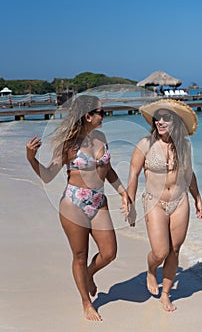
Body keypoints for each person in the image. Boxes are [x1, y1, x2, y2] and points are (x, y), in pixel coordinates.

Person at [26, 94, 130, 322]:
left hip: (98, 200)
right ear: (88, 116)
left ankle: (89, 274)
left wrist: (123, 193)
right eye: (101, 112)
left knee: (109, 253)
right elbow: (47, 175)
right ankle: (86, 303)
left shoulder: (101, 137)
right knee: (80, 255)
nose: (105, 115)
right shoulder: (68, 145)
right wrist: (31, 158)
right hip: (74, 203)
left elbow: (109, 170)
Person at [127, 99, 202, 312]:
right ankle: (151, 270)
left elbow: (189, 174)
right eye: (158, 118)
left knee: (175, 250)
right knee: (160, 252)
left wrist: (197, 198)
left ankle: (165, 294)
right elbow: (133, 174)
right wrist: (130, 202)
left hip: (180, 201)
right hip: (155, 202)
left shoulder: (184, 145)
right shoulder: (145, 144)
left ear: (176, 122)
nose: (160, 122)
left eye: (166, 118)